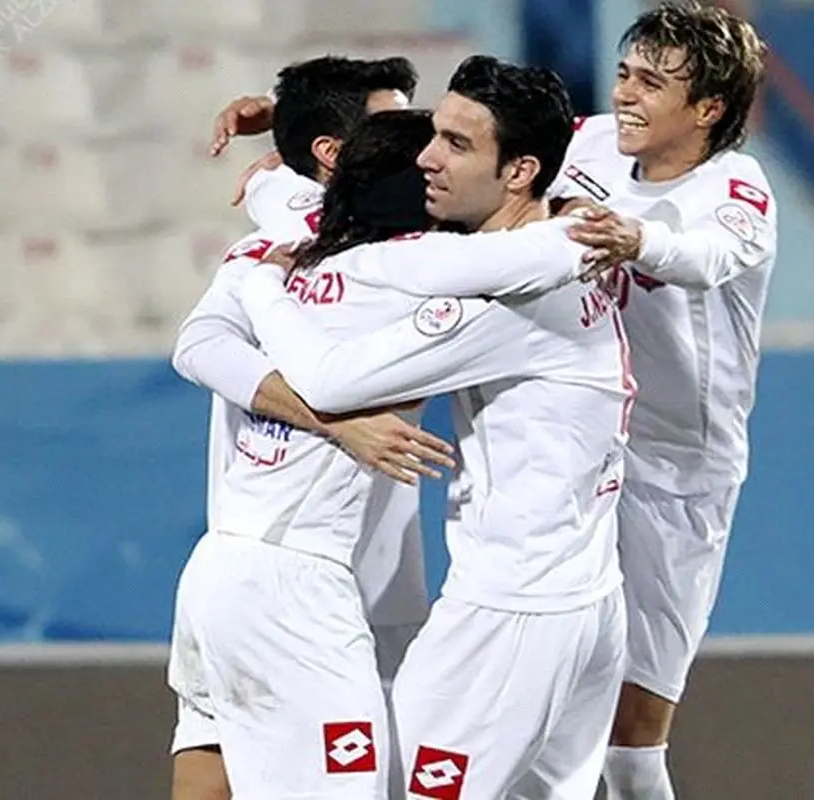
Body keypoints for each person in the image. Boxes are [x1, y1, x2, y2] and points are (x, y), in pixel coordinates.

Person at [238, 57, 635, 799]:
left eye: (455, 143)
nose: (426, 157)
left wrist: (260, 284)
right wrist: (280, 138)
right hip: (586, 597)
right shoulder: (575, 230)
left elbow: (328, 379)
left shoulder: (503, 305)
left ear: (519, 171)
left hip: (510, 613)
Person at [166, 55, 450, 800]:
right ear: (335, 152)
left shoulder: (293, 225)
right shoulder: (320, 250)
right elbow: (197, 347)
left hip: (336, 572)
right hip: (298, 572)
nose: (430, 152)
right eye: (398, 129)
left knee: (215, 757)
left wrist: (276, 147)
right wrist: (335, 422)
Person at [559, 5, 776, 797]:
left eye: (652, 83)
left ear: (707, 108)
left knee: (633, 734)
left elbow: (706, 257)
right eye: (625, 74)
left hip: (679, 473)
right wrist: (310, 133)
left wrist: (637, 241)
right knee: (541, 694)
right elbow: (472, 138)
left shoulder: (737, 189)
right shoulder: (588, 142)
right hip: (580, 447)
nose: (626, 94)